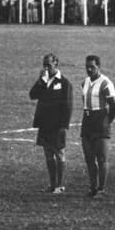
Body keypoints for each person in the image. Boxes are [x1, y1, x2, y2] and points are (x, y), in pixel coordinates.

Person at [30, 53, 73, 194]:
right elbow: (32, 95)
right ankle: (52, 183)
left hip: (57, 125)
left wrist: (64, 125)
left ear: (56, 64)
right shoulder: (43, 80)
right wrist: (41, 81)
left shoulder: (64, 83)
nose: (46, 68)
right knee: (48, 154)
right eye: (44, 65)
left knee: (59, 154)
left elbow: (68, 106)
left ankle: (60, 185)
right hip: (44, 124)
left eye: (48, 64)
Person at [80, 54, 115, 198]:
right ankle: (93, 187)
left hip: (100, 121)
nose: (89, 70)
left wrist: (107, 121)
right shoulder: (84, 82)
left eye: (92, 67)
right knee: (89, 157)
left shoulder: (106, 83)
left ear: (99, 67)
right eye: (87, 67)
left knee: (102, 158)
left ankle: (101, 189)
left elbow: (114, 107)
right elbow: (85, 101)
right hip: (87, 121)